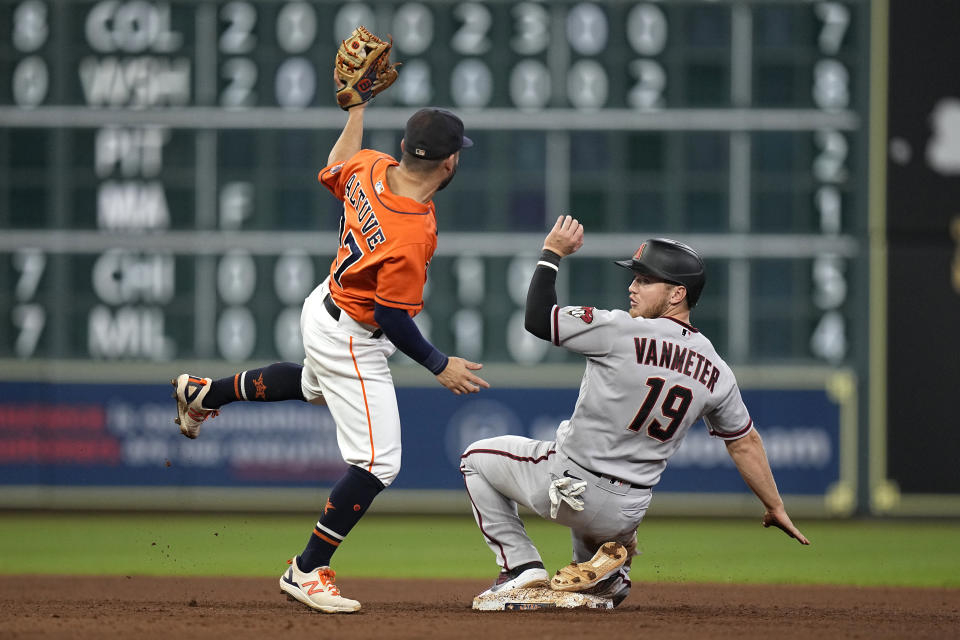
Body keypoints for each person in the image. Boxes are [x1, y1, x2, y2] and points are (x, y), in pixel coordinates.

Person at [172, 103, 490, 614]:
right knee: (379, 462)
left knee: (311, 387)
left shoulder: (370, 166)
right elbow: (392, 317)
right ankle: (307, 568)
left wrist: (358, 108)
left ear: (404, 148)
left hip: (325, 306)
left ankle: (204, 394)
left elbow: (334, 163)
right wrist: (439, 364)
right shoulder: (410, 233)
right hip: (352, 334)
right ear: (450, 163)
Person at [460, 215, 809, 607]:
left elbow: (538, 319)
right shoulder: (716, 370)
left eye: (645, 280)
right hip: (626, 514)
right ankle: (610, 578)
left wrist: (551, 254)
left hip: (567, 486)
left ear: (677, 294)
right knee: (599, 543)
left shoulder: (620, 330)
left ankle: (521, 567)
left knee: (475, 459)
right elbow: (745, 442)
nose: (632, 287)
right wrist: (774, 506)